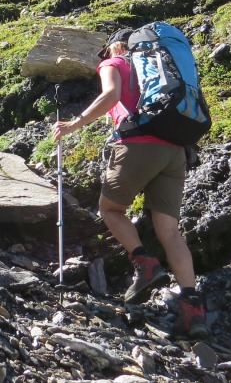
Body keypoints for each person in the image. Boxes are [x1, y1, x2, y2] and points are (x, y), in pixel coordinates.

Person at [51, 28, 209, 339]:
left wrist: (74, 124)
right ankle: (194, 310)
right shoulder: (164, 68)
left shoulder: (116, 63)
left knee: (110, 209)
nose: (104, 57)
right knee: (169, 232)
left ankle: (145, 263)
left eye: (106, 51)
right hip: (175, 150)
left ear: (115, 47)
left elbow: (110, 95)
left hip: (137, 145)